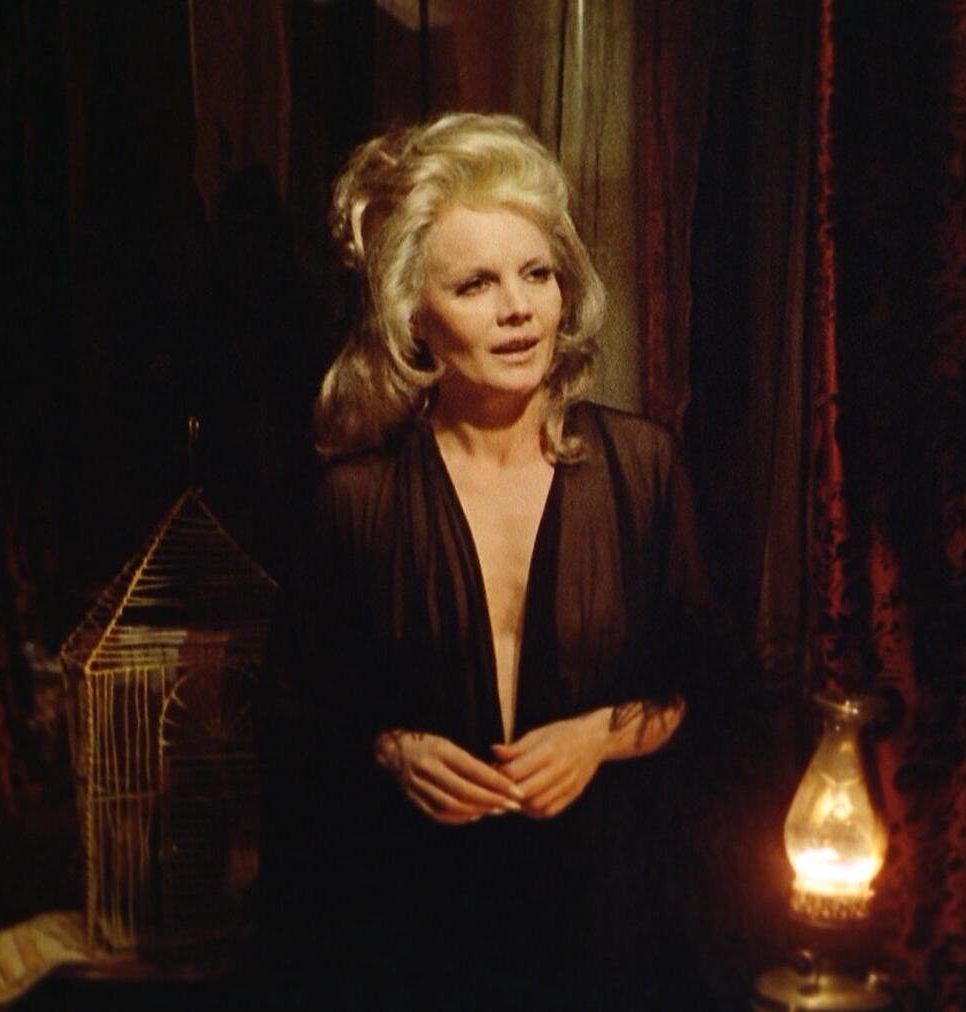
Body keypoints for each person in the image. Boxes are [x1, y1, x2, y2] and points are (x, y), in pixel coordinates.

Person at [259, 112, 714, 1010]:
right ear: (413, 317)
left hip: (603, 920)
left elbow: (710, 694)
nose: (518, 309)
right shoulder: (356, 498)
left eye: (535, 273)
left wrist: (597, 736)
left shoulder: (641, 466)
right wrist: (390, 748)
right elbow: (296, 716)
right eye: (475, 284)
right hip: (416, 925)